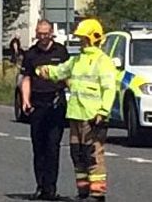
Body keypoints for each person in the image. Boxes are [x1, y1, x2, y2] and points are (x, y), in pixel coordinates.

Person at [37, 18, 116, 202]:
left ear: (92, 38)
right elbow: (61, 71)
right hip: (76, 115)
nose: (81, 42)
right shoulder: (77, 60)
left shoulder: (103, 61)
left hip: (93, 117)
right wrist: (43, 70)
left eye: (83, 39)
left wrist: (103, 112)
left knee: (93, 155)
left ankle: (97, 194)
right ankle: (84, 192)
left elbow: (109, 89)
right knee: (77, 154)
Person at [20, 20, 69, 201]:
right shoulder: (31, 54)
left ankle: (51, 189)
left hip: (56, 103)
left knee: (53, 147)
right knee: (38, 147)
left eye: (45, 33)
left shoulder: (61, 51)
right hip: (37, 104)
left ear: (51, 33)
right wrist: (25, 100)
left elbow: (68, 75)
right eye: (39, 34)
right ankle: (40, 186)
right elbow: (26, 79)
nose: (42, 37)